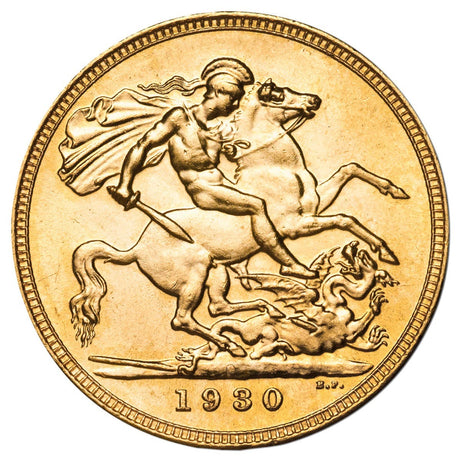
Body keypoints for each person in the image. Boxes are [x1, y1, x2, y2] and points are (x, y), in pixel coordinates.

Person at [108, 57, 316, 279]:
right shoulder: (180, 119)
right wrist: (124, 185)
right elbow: (143, 145)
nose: (235, 105)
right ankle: (288, 264)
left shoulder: (216, 129)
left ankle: (243, 258)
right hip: (203, 191)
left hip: (222, 184)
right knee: (257, 205)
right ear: (217, 92)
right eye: (233, 98)